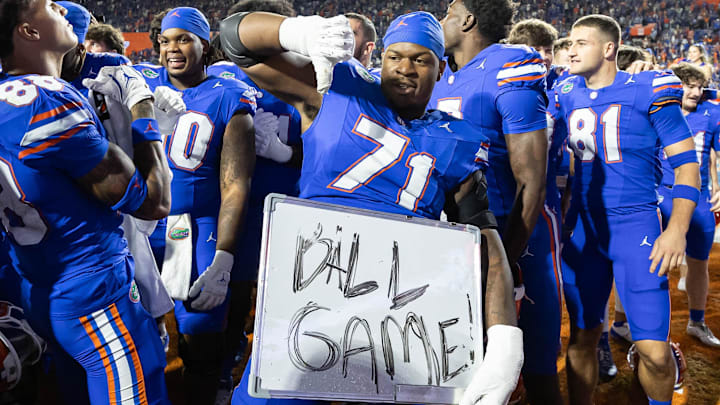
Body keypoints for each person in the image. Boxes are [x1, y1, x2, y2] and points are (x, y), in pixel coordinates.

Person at [219, 9, 521, 405]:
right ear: (381, 58)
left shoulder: (458, 139)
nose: (405, 68)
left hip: (399, 317)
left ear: (441, 67)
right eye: (395, 56)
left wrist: (504, 343)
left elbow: (484, 239)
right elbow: (235, 40)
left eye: (420, 59)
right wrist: (296, 30)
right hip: (310, 297)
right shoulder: (337, 90)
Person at [0, 1, 172, 404]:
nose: (60, 6)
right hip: (96, 297)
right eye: (47, 5)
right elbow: (153, 202)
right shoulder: (47, 101)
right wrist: (143, 112)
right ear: (27, 31)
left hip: (42, 287)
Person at [558, 15, 699, 405]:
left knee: (654, 351)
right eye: (569, 42)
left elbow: (688, 165)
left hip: (636, 226)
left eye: (581, 42)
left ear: (608, 49)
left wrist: (676, 230)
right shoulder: (564, 90)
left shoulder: (648, 89)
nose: (571, 49)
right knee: (582, 338)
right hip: (583, 228)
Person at [432, 2, 559, 403]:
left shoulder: (510, 66)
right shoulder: (441, 75)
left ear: (468, 20)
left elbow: (530, 181)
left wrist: (509, 261)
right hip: (452, 239)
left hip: (507, 234)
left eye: (448, 11)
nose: (441, 21)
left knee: (531, 370)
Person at [135, 7, 257, 404]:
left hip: (195, 223)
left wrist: (223, 257)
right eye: (166, 40)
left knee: (202, 337)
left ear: (204, 45)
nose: (173, 48)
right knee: (134, 333)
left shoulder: (228, 96)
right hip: (138, 225)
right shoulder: (139, 85)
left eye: (184, 39)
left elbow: (235, 183)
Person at [657, 62, 720, 348]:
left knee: (699, 262)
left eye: (699, 87)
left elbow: (715, 155)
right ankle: (650, 330)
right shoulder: (658, 110)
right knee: (653, 261)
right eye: (689, 86)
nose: (695, 92)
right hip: (662, 195)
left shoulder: (712, 113)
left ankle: (696, 321)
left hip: (700, 198)